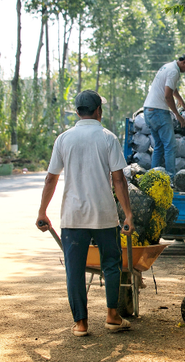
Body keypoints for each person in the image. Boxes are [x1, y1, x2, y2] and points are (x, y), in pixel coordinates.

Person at [36, 90, 135, 337]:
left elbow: (51, 179)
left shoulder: (64, 139)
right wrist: (128, 214)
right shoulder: (108, 138)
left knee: (75, 269)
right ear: (98, 111)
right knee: (111, 265)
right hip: (103, 214)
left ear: (78, 111)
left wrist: (42, 212)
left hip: (73, 216)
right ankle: (112, 316)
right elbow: (119, 180)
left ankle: (80, 323)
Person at [143, 53, 185, 178]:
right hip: (159, 111)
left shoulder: (168, 67)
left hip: (148, 110)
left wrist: (180, 99)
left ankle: (153, 177)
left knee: (158, 146)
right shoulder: (174, 71)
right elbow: (167, 96)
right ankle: (170, 178)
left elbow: (172, 88)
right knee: (170, 146)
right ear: (184, 62)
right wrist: (177, 115)